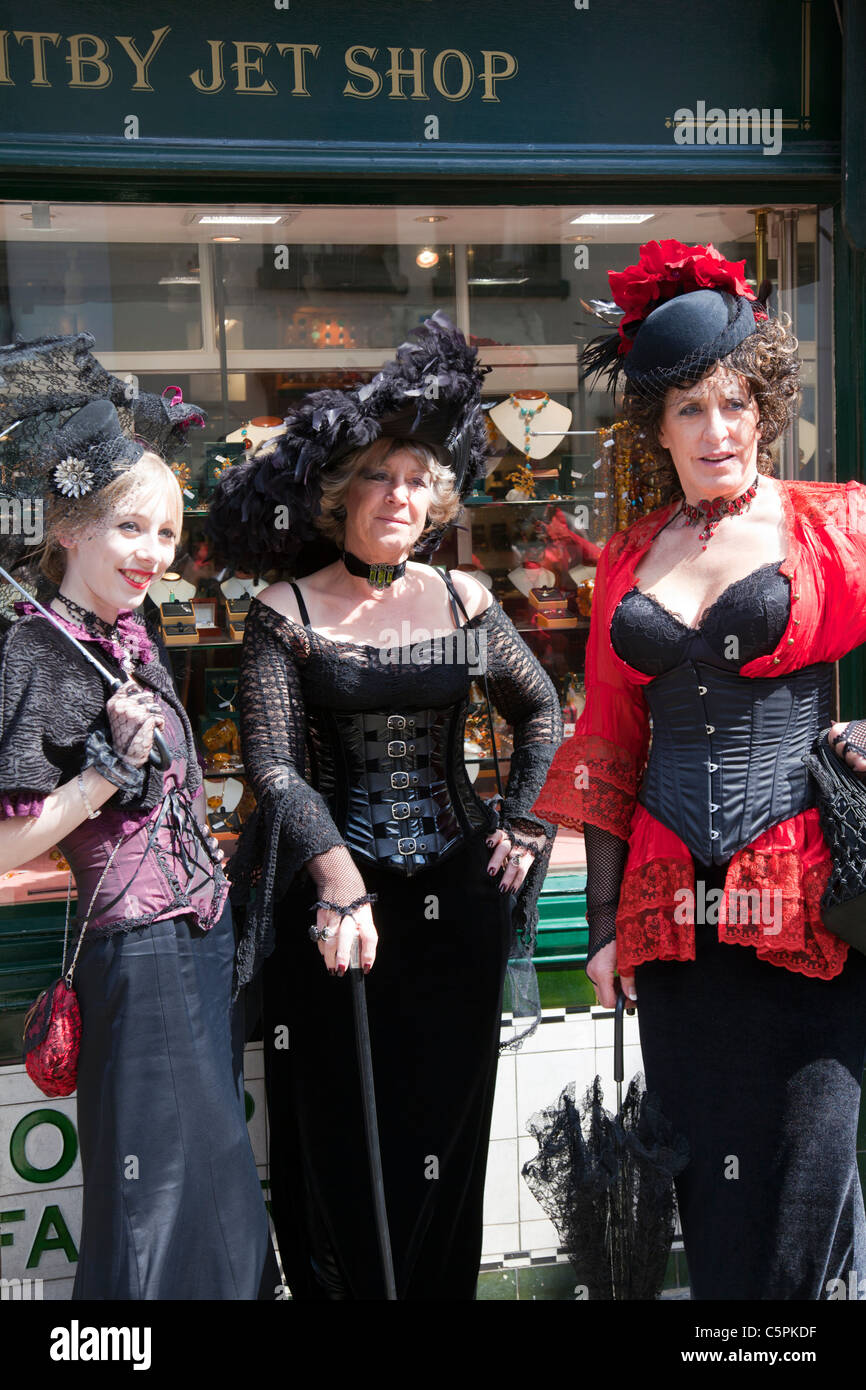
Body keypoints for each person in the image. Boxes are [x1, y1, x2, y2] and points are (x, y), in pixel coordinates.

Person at [534, 239, 866, 1301]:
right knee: (710, 1202)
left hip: (808, 913)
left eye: (731, 404)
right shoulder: (629, 556)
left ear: (761, 405)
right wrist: (595, 926)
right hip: (673, 922)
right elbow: (605, 742)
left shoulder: (830, 525)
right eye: (688, 410)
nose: (715, 431)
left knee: (804, 1189)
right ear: (656, 425)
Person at [208, 313, 562, 1299]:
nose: (397, 496)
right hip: (334, 907)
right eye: (377, 475)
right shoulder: (291, 610)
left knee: (443, 1123)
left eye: (416, 480)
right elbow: (274, 771)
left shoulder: (463, 601)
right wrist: (337, 880)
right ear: (340, 492)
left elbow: (541, 709)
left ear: (437, 497)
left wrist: (524, 822)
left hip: (457, 897)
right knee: (338, 1124)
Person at [0, 381, 275, 1299]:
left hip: (198, 939)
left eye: (164, 533)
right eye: (130, 529)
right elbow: (5, 848)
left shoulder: (129, 630)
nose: (153, 553)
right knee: (155, 1191)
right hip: (138, 946)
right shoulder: (36, 651)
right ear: (69, 530)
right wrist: (100, 777)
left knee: (215, 1181)